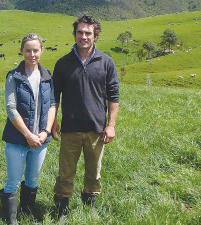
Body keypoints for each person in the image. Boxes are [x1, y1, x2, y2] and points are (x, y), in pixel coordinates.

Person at [51, 15, 119, 219]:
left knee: (93, 172)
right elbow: (54, 96)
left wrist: (111, 125)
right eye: (80, 32)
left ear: (95, 36)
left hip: (96, 128)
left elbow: (113, 95)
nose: (83, 36)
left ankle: (90, 208)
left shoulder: (106, 62)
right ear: (74, 35)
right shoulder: (63, 63)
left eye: (88, 33)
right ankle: (61, 211)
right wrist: (53, 121)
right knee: (66, 172)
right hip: (69, 128)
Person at [0, 33, 56, 224]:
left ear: (41, 51)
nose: (32, 54)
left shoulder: (47, 76)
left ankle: (27, 213)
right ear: (22, 51)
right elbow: (11, 108)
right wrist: (28, 135)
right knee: (13, 181)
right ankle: (12, 220)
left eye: (36, 50)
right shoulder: (14, 76)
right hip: (18, 139)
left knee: (32, 180)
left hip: (41, 139)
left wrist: (45, 132)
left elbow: (53, 105)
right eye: (28, 50)